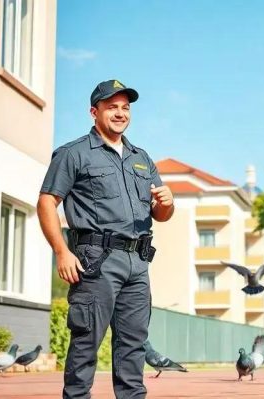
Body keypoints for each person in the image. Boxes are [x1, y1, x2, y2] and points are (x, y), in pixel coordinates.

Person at [37, 79, 174, 398]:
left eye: (125, 107)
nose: (120, 113)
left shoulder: (142, 158)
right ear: (93, 112)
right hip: (95, 261)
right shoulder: (73, 154)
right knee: (86, 343)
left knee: (133, 346)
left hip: (138, 264)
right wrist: (61, 251)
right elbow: (46, 202)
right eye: (112, 106)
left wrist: (167, 204)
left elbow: (161, 214)